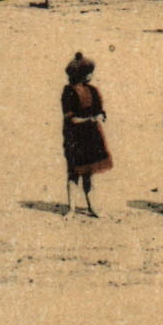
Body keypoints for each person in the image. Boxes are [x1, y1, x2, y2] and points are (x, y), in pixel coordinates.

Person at [61, 52, 112, 217]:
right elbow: (71, 119)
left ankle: (92, 207)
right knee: (74, 173)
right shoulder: (68, 92)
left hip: (91, 137)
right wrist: (91, 119)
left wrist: (101, 115)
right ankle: (72, 209)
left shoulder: (94, 91)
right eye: (88, 72)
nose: (91, 75)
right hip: (75, 138)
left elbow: (100, 110)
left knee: (88, 174)